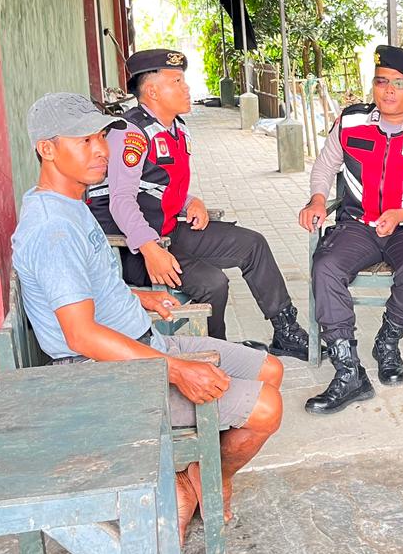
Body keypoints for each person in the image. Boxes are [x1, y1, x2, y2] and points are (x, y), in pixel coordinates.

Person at [12, 92, 284, 538]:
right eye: (84, 141)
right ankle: (202, 477)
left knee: (270, 369)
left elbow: (82, 288)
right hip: (105, 376)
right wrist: (178, 370)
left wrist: (138, 296)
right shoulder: (53, 228)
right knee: (267, 408)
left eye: (101, 137)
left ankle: (198, 472)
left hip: (141, 342)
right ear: (47, 149)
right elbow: (80, 335)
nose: (101, 150)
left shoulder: (68, 203)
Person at [87, 49, 310, 358]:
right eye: (177, 81)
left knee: (252, 244)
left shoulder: (176, 128)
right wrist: (150, 249)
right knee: (213, 282)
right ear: (152, 91)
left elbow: (156, 187)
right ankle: (218, 352)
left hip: (165, 231)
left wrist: (191, 202)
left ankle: (286, 332)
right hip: (131, 248)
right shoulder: (129, 133)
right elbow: (121, 200)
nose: (187, 88)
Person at [298, 45, 403, 414]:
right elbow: (324, 166)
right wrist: (318, 199)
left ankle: (388, 340)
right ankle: (348, 371)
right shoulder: (350, 121)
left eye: (399, 84)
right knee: (325, 267)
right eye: (381, 81)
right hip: (358, 224)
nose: (388, 90)